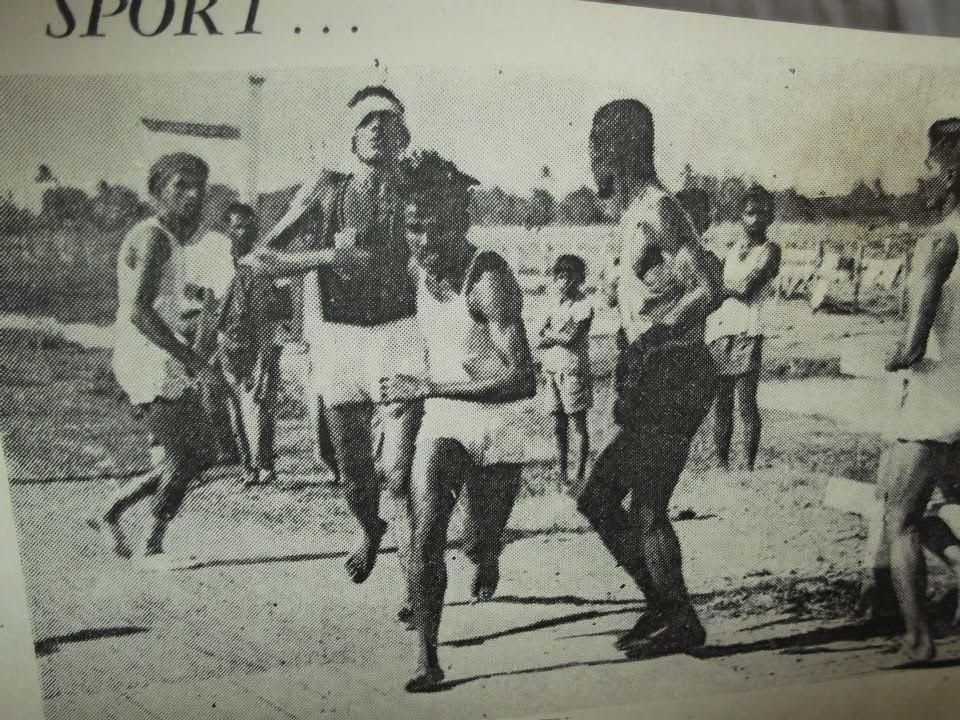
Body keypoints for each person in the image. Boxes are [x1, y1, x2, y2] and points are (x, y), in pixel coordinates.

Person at [247, 87, 425, 612]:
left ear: (404, 134)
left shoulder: (418, 184)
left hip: (400, 332)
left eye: (388, 120)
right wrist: (330, 255)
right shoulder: (326, 187)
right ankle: (370, 529)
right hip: (339, 339)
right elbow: (260, 257)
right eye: (367, 121)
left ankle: (416, 584)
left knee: (401, 465)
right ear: (352, 135)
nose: (377, 129)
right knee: (349, 469)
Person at [379, 150, 537, 692]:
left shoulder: (487, 277)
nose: (421, 242)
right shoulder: (417, 272)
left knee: (478, 539)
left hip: (501, 422)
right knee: (426, 531)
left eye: (432, 227)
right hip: (446, 419)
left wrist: (428, 387)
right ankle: (427, 656)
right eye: (412, 227)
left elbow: (522, 380)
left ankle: (486, 552)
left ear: (458, 220)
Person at [576, 99, 720, 659]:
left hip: (674, 370)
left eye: (596, 144)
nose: (590, 156)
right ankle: (664, 606)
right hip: (653, 372)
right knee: (598, 498)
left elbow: (707, 283)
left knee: (647, 506)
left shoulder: (658, 208)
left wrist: (659, 336)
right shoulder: (632, 210)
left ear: (622, 147)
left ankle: (681, 620)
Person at [88, 153, 220, 568]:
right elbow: (139, 312)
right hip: (147, 357)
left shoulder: (171, 239)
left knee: (203, 454)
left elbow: (162, 308)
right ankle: (151, 546)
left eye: (198, 185)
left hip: (158, 353)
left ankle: (112, 509)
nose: (193, 194)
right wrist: (194, 359)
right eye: (180, 185)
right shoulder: (154, 237)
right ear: (157, 191)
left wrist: (199, 313)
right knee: (185, 456)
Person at [870, 117, 960, 663]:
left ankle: (919, 640)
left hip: (935, 400)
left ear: (947, 171)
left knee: (898, 517)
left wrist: (885, 357)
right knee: (937, 507)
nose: (923, 178)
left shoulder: (940, 240)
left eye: (928, 165)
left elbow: (911, 345)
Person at [705, 185, 781, 471]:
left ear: (770, 217)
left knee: (746, 402)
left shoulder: (770, 251)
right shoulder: (733, 250)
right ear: (741, 216)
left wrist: (719, 289)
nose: (756, 219)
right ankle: (721, 464)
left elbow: (749, 287)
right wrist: (724, 289)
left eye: (763, 213)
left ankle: (748, 465)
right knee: (721, 402)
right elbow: (726, 285)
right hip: (722, 329)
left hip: (749, 330)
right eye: (750, 213)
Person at [216, 203, 286, 487]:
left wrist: (271, 348)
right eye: (238, 227)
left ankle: (266, 464)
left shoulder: (267, 261)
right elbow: (209, 303)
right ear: (228, 230)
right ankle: (247, 466)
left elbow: (282, 308)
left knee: (264, 403)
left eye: (250, 227)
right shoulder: (219, 264)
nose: (245, 232)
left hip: (262, 340)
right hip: (230, 344)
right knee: (234, 407)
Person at [538, 254, 594, 489]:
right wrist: (553, 336)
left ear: (579, 278)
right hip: (552, 370)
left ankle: (580, 474)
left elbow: (572, 338)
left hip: (573, 371)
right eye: (559, 276)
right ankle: (562, 475)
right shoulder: (551, 303)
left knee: (577, 424)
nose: (563, 281)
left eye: (568, 276)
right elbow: (538, 338)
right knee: (557, 425)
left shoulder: (584, 305)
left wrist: (551, 335)